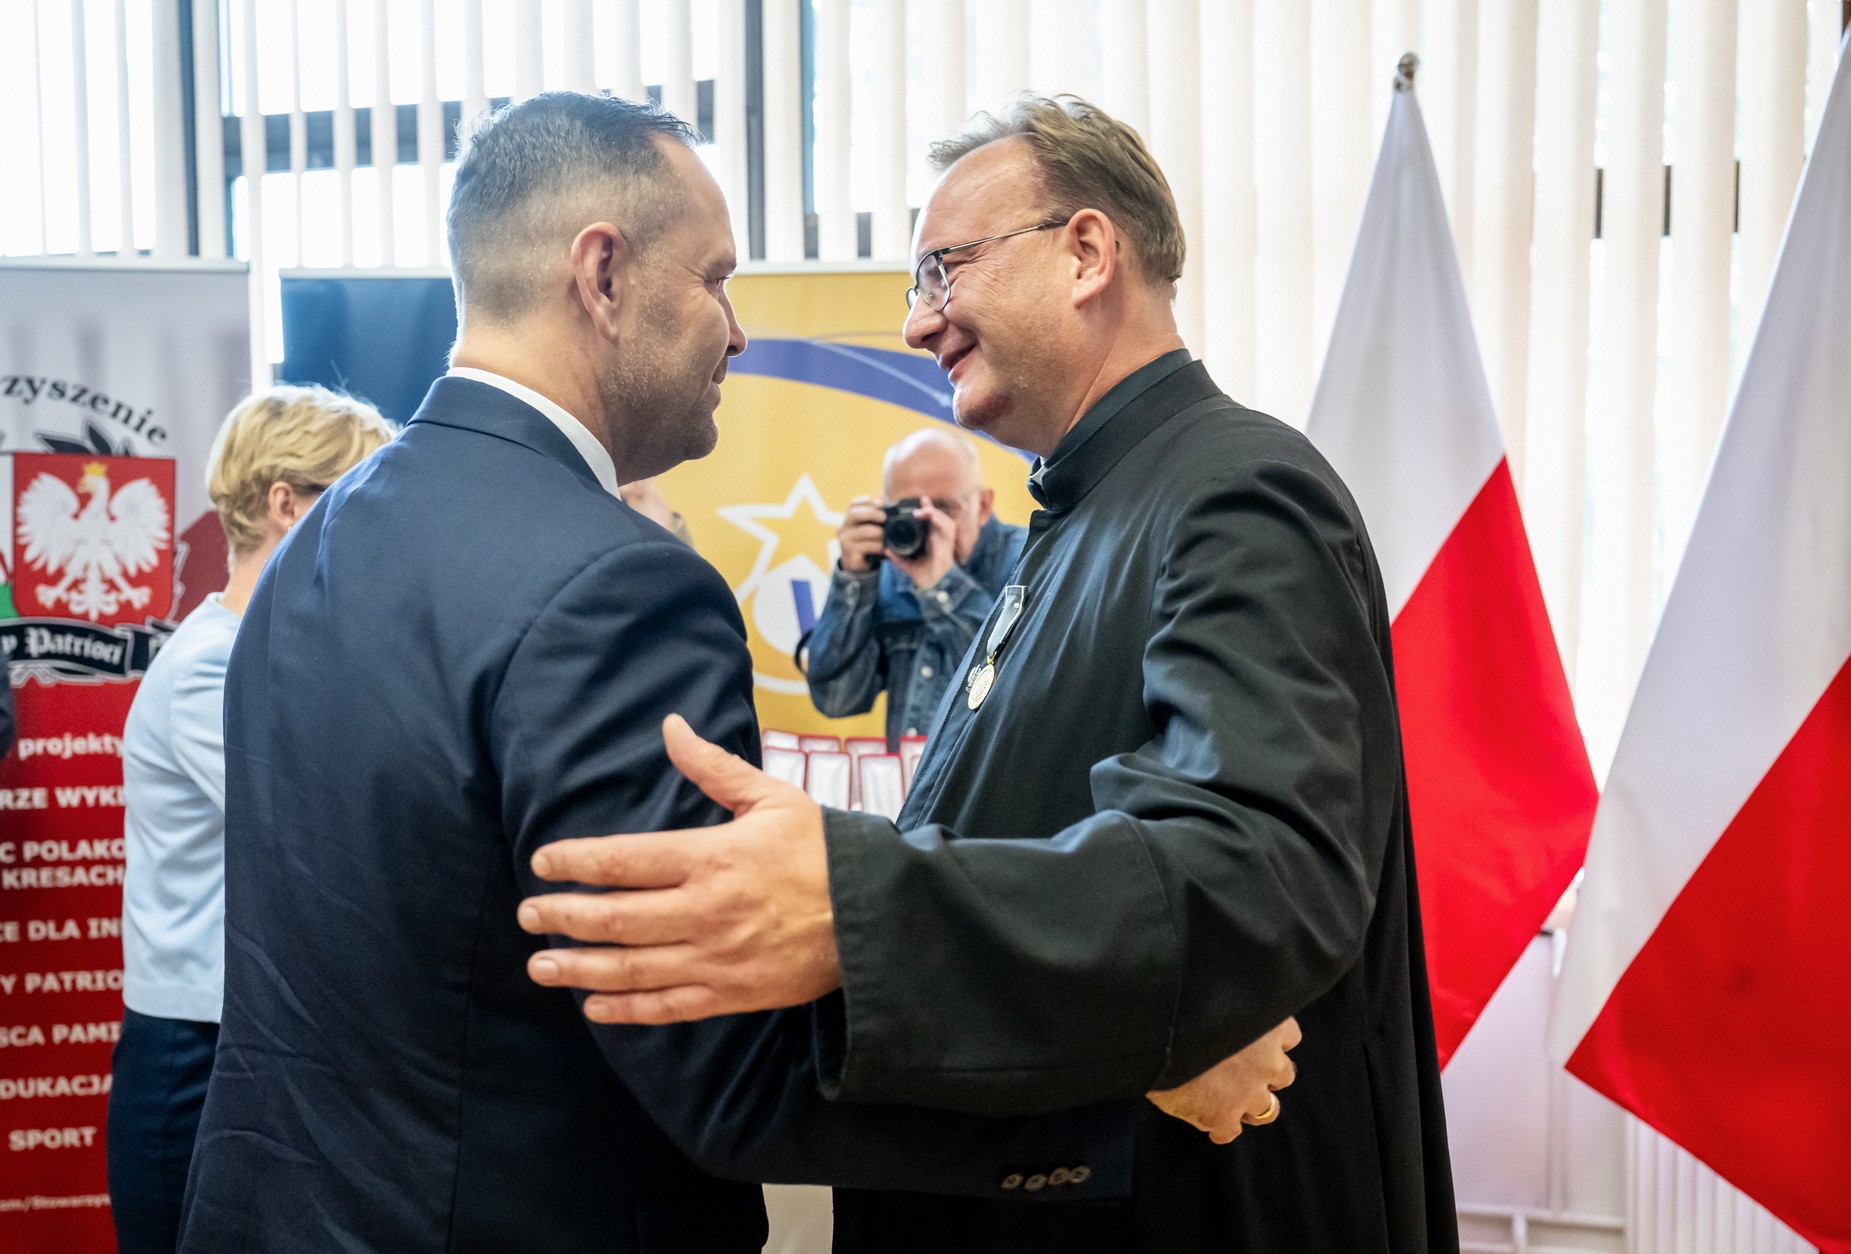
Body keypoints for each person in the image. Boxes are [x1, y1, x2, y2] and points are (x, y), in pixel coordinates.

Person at [178, 93, 1159, 1254]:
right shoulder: (614, 589)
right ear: (601, 274)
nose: (735, 332)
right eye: (713, 281)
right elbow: (725, 1071)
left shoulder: (319, 544)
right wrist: (1118, 1100)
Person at [520, 93, 1459, 1253]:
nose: (919, 324)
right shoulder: (1086, 505)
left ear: (1083, 252)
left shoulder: (1235, 491)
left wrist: (847, 905)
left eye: (940, 271)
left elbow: (1252, 873)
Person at [107, 386, 395, 1253]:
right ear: (287, 506)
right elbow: (325, 831)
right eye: (361, 498)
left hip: (249, 1039)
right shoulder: (210, 667)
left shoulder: (268, 648)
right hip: (192, 1055)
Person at [806, 427, 1024, 746]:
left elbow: (1018, 701)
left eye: (943, 508)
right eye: (908, 508)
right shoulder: (885, 570)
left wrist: (942, 585)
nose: (927, 523)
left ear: (983, 505)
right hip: (910, 790)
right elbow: (836, 700)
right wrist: (853, 579)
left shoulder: (1027, 563)